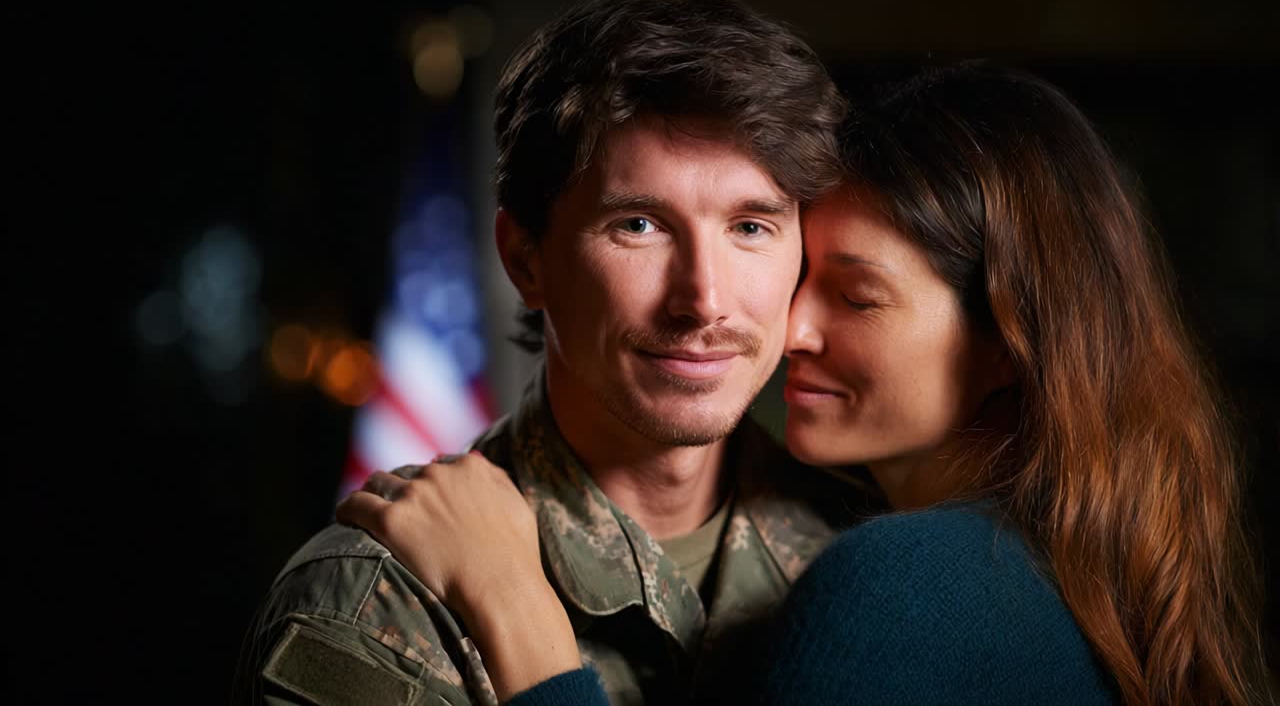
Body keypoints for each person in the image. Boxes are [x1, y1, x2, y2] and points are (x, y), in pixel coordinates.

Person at [339, 63, 1273, 705]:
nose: (790, 328)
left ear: (1009, 344)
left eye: (858, 298)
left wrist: (517, 612)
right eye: (799, 272)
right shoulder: (1056, 560)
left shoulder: (909, 589)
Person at [233, 0, 881, 705]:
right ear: (526, 258)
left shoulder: (873, 556)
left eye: (751, 227)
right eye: (638, 224)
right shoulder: (379, 604)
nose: (704, 299)